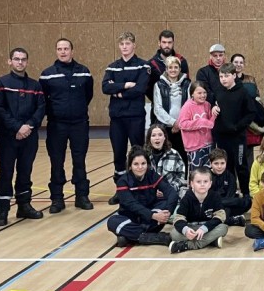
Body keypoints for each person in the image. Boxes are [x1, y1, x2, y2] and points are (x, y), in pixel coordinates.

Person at [0, 47, 45, 226]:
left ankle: (24, 206)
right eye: (16, 59)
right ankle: (2, 209)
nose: (20, 62)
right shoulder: (0, 83)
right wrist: (16, 127)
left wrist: (28, 125)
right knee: (5, 172)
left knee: (25, 171)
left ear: (27, 62)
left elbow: (41, 108)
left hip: (29, 136)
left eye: (23, 59)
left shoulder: (35, 85)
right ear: (10, 61)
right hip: (8, 137)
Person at [40, 38, 94, 213]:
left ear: (72, 50)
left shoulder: (84, 72)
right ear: (56, 51)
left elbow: (88, 95)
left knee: (80, 161)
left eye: (66, 48)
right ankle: (57, 199)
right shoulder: (47, 74)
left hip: (79, 124)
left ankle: (82, 196)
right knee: (57, 162)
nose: (63, 52)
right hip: (57, 125)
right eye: (59, 49)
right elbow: (43, 99)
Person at [102, 31, 151, 180]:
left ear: (134, 45)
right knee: (118, 153)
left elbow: (140, 89)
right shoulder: (112, 67)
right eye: (122, 44)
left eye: (128, 44)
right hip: (117, 118)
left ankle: (140, 185)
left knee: (138, 152)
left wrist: (118, 92)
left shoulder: (143, 65)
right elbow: (105, 88)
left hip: (135, 117)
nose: (124, 47)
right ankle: (121, 188)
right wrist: (126, 85)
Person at [107, 146, 176, 248]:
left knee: (165, 203)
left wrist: (168, 212)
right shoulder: (123, 181)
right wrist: (153, 215)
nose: (140, 167)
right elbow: (131, 205)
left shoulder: (152, 175)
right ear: (130, 166)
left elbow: (171, 192)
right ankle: (150, 237)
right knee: (112, 221)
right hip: (131, 218)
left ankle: (130, 237)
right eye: (136, 164)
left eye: (143, 163)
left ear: (147, 164)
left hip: (150, 219)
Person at [169, 167, 229, 253]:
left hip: (207, 229)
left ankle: (187, 245)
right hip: (191, 229)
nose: (202, 184)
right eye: (198, 182)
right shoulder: (186, 198)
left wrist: (205, 228)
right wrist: (186, 230)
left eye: (205, 181)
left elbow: (220, 216)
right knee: (174, 233)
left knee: (223, 228)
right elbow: (178, 219)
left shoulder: (214, 196)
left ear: (210, 184)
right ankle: (210, 241)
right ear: (192, 184)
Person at [212, 63, 252, 187]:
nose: (223, 79)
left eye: (227, 76)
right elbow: (212, 104)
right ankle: (230, 192)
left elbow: (251, 113)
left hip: (238, 136)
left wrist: (238, 126)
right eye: (221, 76)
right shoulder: (218, 91)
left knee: (241, 165)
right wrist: (213, 108)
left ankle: (245, 193)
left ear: (234, 75)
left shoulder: (243, 92)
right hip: (222, 136)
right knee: (226, 165)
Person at [232, 53, 264, 192]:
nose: (238, 64)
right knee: (234, 158)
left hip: (249, 126)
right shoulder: (228, 79)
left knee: (248, 156)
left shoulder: (250, 80)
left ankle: (250, 187)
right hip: (234, 125)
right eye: (236, 62)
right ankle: (234, 188)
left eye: (241, 62)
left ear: (244, 64)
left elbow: (257, 99)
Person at [152, 55, 190, 169]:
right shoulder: (158, 85)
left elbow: (189, 106)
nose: (173, 70)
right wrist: (173, 122)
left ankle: (183, 181)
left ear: (179, 69)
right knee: (165, 156)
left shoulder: (187, 84)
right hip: (165, 127)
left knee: (183, 156)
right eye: (170, 67)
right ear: (166, 70)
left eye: (175, 67)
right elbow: (158, 108)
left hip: (183, 127)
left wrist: (179, 123)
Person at [177, 81, 215, 169]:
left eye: (204, 92)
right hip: (194, 147)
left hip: (208, 144)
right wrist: (200, 122)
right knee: (196, 173)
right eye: (199, 93)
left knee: (207, 172)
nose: (203, 95)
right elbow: (182, 124)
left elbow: (210, 123)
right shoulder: (187, 106)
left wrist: (214, 114)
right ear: (192, 94)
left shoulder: (208, 105)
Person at [208, 148, 249, 227]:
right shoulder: (206, 176)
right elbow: (208, 198)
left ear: (226, 163)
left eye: (222, 163)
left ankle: (221, 219)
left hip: (226, 204)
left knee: (246, 202)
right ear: (210, 163)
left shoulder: (230, 176)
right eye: (216, 163)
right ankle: (232, 220)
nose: (219, 166)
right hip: (211, 206)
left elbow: (230, 197)